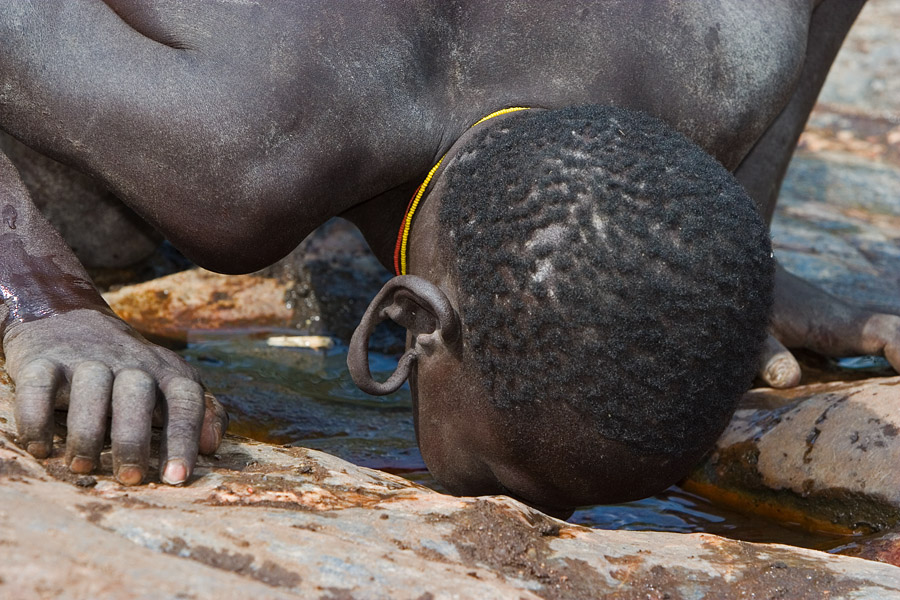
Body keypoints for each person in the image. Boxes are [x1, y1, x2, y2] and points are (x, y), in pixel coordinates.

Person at [0, 0, 894, 514]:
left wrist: (736, 238)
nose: (544, 523)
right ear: (408, 321)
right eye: (507, 482)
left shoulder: (725, 51)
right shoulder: (240, 155)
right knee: (103, 227)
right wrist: (46, 299)